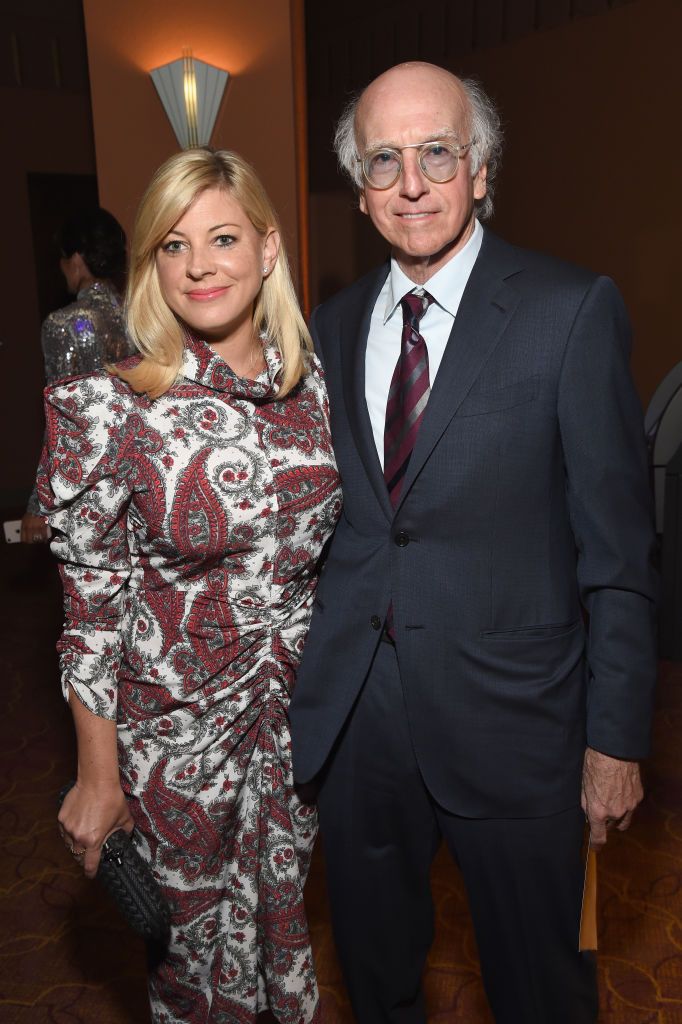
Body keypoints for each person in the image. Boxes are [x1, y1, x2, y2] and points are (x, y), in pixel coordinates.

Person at [288, 62, 658, 1024]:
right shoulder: (326, 331)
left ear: (481, 169)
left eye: (437, 154)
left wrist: (614, 739)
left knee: (544, 989)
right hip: (361, 731)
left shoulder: (571, 312)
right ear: (361, 191)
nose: (413, 183)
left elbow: (620, 554)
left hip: (520, 731)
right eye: (384, 160)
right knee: (376, 984)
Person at [37, 148, 341, 1023]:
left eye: (222, 238)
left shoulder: (313, 385)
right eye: (173, 245)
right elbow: (90, 609)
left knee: (286, 939)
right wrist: (99, 777)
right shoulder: (112, 406)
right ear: (148, 266)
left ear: (269, 249)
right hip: (175, 748)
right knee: (194, 975)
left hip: (294, 735)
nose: (199, 264)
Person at [22, 206, 132, 544]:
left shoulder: (64, 325)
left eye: (62, 256)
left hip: (89, 485)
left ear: (77, 259)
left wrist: (38, 505)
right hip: (141, 477)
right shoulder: (141, 318)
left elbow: (62, 422)